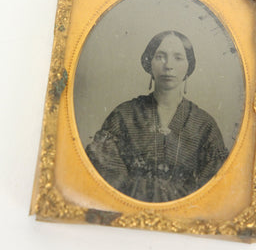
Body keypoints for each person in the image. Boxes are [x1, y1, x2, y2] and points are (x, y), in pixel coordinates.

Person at [85, 30, 228, 202]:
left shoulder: (204, 125)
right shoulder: (124, 116)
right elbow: (107, 180)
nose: (168, 65)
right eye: (160, 56)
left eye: (178, 57)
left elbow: (214, 188)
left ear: (188, 66)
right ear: (149, 62)